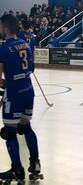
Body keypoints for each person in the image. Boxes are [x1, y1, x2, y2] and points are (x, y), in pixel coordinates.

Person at [0, 14, 42, 183]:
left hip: (14, 94)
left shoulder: (3, 48)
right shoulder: (26, 43)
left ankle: (17, 169)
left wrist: (6, 82)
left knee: (9, 132)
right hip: (28, 91)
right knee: (26, 127)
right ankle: (35, 164)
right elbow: (31, 68)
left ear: (6, 28)